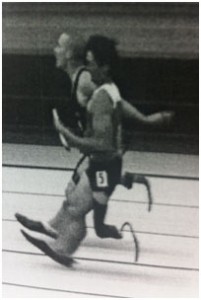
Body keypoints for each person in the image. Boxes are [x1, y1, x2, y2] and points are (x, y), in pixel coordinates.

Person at [15, 33, 173, 266]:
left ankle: (64, 243)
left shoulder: (85, 81)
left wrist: (69, 134)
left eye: (59, 45)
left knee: (79, 203)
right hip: (101, 152)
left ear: (70, 54)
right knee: (75, 196)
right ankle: (56, 234)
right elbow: (115, 101)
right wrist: (145, 119)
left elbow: (104, 123)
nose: (54, 49)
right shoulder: (99, 85)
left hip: (103, 152)